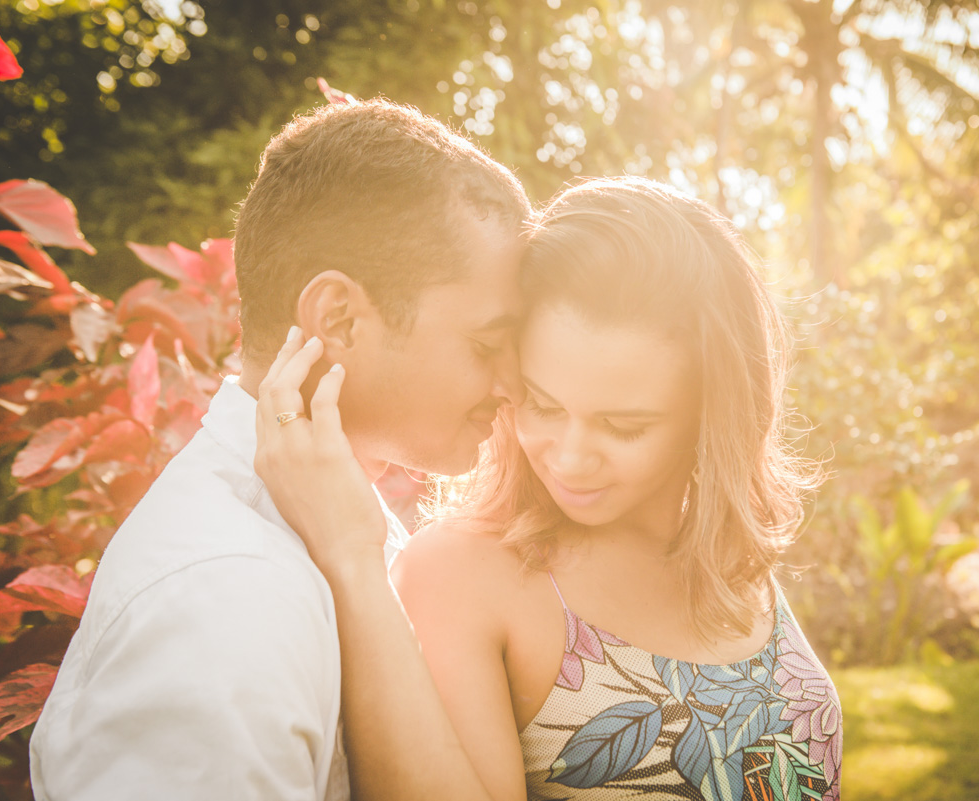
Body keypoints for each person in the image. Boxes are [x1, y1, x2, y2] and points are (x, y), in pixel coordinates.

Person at [254, 176, 843, 801]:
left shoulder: (727, 560)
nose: (569, 458)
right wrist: (351, 559)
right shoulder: (465, 573)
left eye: (623, 426)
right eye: (541, 402)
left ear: (712, 416)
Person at [30, 98, 531, 800]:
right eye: (485, 344)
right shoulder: (223, 596)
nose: (513, 383)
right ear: (340, 318)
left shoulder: (341, 531)